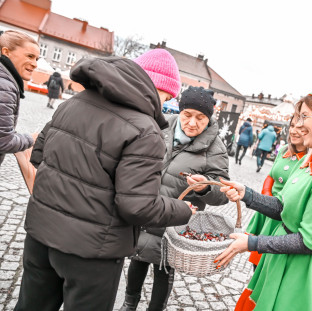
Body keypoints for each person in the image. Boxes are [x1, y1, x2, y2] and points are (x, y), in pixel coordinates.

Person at [14, 49, 196, 311]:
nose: (162, 103)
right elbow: (138, 206)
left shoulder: (73, 103)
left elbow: (38, 155)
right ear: (154, 88)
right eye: (165, 96)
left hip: (41, 236)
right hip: (92, 253)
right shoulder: (145, 130)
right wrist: (182, 210)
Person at [216, 88, 312, 311]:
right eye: (298, 116)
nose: (298, 125)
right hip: (284, 259)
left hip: (302, 269)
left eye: (304, 117)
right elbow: (284, 207)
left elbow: (309, 241)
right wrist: (247, 194)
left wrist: (252, 243)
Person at [120, 85, 230, 311]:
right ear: (179, 111)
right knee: (137, 258)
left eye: (201, 118)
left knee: (164, 268)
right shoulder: (161, 126)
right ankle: (129, 304)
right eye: (187, 115)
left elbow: (222, 195)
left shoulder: (216, 148)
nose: (192, 123)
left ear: (209, 118)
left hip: (175, 221)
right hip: (147, 209)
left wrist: (203, 189)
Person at [246, 111, 307, 269]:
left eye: (300, 128)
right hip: (268, 209)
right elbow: (271, 175)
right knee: (258, 261)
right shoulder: (284, 150)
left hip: (284, 216)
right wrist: (266, 196)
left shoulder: (311, 159)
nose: (294, 131)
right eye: (292, 126)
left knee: (271, 262)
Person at [0, 30, 39, 167]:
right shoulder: (5, 85)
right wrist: (30, 139)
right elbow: (4, 141)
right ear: (6, 52)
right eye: (30, 56)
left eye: (36, 59)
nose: (35, 64)